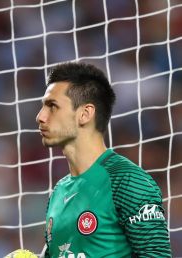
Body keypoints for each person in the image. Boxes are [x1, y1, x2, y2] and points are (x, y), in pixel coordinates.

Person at [35, 62, 172, 257]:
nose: (40, 116)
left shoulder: (127, 180)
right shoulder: (58, 192)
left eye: (52, 106)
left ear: (85, 114)